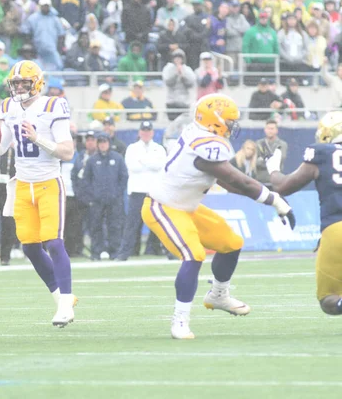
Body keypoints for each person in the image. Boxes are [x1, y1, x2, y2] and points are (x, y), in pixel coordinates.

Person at [141, 93, 295, 340]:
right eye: (230, 120)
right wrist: (274, 199)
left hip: (187, 208)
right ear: (215, 120)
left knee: (231, 243)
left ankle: (218, 295)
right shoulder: (206, 145)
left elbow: (229, 182)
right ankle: (180, 319)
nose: (233, 126)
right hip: (162, 206)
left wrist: (268, 196)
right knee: (194, 255)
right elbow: (237, 179)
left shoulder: (202, 135)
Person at [0, 60, 76, 326]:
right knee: (29, 246)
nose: (19, 88)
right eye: (15, 84)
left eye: (24, 83)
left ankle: (66, 303)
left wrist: (37, 137)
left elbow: (67, 152)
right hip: (23, 184)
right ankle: (61, 296)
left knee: (54, 242)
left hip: (48, 181)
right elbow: (1, 148)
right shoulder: (8, 106)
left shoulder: (52, 105)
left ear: (37, 82)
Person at [268, 111, 342, 317]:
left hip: (336, 228)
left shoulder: (321, 153)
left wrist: (273, 168)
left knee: (329, 299)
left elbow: (282, 186)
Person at [116, 121, 167, 261]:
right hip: (137, 191)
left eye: (148, 130)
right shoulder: (132, 148)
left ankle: (169, 251)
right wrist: (150, 162)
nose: (146, 133)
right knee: (132, 224)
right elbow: (133, 167)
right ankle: (123, 254)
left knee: (161, 222)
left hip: (154, 192)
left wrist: (143, 160)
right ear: (139, 132)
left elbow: (160, 166)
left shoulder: (159, 148)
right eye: (143, 130)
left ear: (152, 132)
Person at [83, 132, 128, 260]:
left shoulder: (118, 158)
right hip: (97, 200)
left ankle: (115, 252)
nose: (103, 145)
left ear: (109, 143)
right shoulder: (92, 160)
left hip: (114, 200)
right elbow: (86, 179)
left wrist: (117, 193)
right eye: (101, 142)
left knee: (114, 226)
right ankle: (96, 252)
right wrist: (92, 195)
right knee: (96, 226)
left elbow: (123, 177)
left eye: (105, 142)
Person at [162, 49, 195, 121]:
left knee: (183, 124)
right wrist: (176, 74)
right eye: (176, 58)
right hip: (171, 102)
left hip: (184, 102)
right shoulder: (168, 68)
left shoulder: (187, 69)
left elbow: (191, 83)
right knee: (172, 124)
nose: (177, 60)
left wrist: (183, 76)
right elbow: (167, 82)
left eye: (179, 58)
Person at [255, 119, 288, 186]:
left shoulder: (282, 144)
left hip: (276, 181)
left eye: (272, 128)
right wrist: (270, 160)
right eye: (268, 128)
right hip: (260, 181)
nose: (270, 131)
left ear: (276, 130)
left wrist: (263, 160)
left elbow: (279, 161)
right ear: (265, 130)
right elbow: (255, 162)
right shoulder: (259, 143)